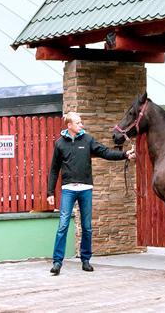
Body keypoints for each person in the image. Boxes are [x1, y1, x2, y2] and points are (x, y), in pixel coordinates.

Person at [47, 111, 136, 276]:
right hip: (68, 190)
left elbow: (104, 152)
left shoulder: (87, 140)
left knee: (87, 227)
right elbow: (54, 169)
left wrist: (124, 155)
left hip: (85, 189)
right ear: (69, 126)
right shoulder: (60, 144)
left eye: (81, 122)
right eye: (78, 123)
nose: (81, 125)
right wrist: (50, 191)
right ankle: (57, 263)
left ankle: (86, 260)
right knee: (63, 226)